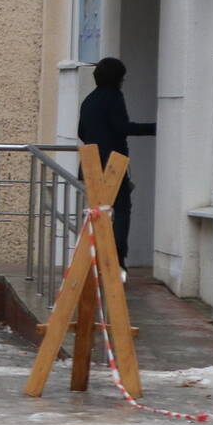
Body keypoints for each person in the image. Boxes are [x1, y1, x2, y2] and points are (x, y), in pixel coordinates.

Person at [77, 56, 156, 275]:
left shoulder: (89, 100)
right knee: (121, 210)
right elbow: (122, 127)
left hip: (90, 164)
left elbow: (81, 132)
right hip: (111, 164)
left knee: (98, 211)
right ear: (118, 79)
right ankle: (116, 258)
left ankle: (96, 259)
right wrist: (156, 127)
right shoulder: (113, 96)